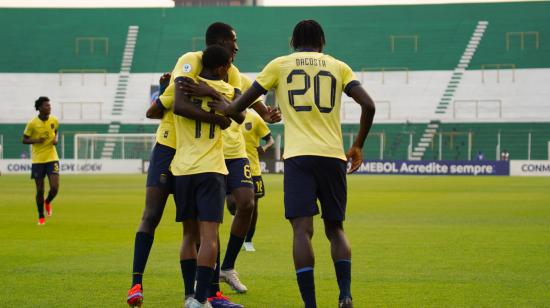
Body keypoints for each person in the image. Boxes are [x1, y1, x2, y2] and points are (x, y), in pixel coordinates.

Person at [216, 20, 376, 308]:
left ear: (293, 41)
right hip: (333, 156)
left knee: (302, 231)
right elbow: (369, 105)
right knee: (335, 230)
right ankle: (345, 295)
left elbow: (244, 103)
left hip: (299, 157)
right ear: (322, 41)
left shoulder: (280, 64)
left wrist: (221, 105)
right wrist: (358, 145)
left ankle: (311, 305)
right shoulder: (339, 66)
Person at [127, 22, 245, 308]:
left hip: (190, 159)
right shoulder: (189, 61)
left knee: (197, 230)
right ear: (221, 45)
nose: (237, 48)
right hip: (172, 148)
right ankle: (138, 283)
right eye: (233, 42)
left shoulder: (231, 74)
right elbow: (160, 108)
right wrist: (217, 114)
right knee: (156, 214)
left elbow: (238, 103)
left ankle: (205, 295)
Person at [172, 45, 239, 308]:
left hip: (183, 168)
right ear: (222, 68)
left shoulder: (186, 85)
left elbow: (174, 105)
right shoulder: (226, 91)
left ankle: (189, 296)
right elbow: (239, 114)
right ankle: (202, 299)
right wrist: (219, 117)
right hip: (211, 168)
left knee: (188, 235)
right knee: (209, 236)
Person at [126, 72, 173, 307]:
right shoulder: (178, 83)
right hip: (166, 150)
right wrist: (165, 88)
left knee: (195, 222)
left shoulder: (212, 83)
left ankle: (197, 290)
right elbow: (153, 111)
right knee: (151, 215)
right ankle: (136, 284)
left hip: (195, 155)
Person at [239, 105, 274, 252]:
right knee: (233, 205)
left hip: (253, 169)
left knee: (253, 207)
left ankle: (248, 240)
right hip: (231, 167)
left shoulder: (254, 118)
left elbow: (270, 139)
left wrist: (264, 148)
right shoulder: (225, 116)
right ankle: (239, 229)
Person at [22, 96, 60, 225]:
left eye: (49, 105)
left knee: (54, 188)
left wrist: (56, 139)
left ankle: (47, 201)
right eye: (46, 105)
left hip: (52, 157)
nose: (49, 107)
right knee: (40, 190)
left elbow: (55, 131)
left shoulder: (54, 120)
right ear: (39, 108)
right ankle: (41, 216)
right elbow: (24, 139)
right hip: (38, 160)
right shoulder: (32, 123)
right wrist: (37, 140)